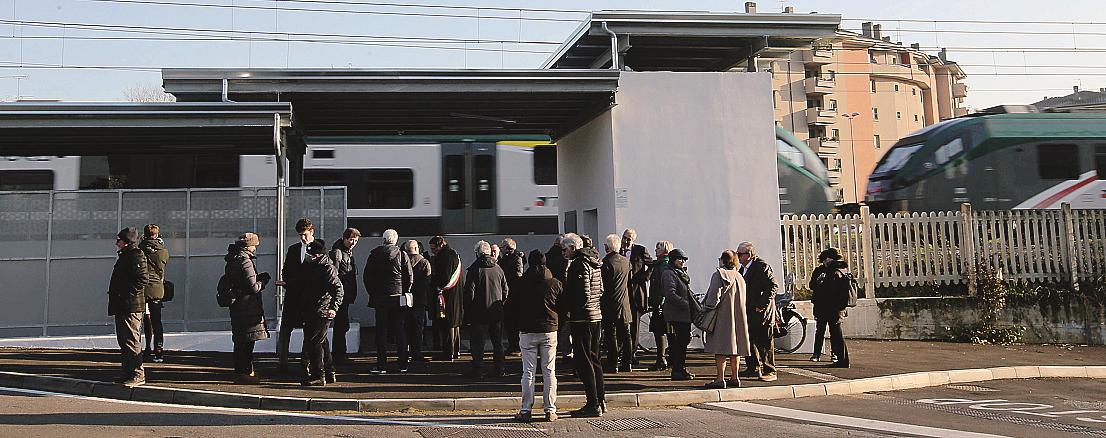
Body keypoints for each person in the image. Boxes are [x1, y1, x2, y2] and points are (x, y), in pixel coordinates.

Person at [514, 250, 563, 423]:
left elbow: (513, 306)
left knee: (528, 372)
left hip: (527, 330)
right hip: (549, 329)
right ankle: (550, 409)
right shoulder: (555, 283)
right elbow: (562, 307)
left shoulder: (521, 283)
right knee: (549, 371)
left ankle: (526, 409)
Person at [561, 233, 605, 417]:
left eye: (564, 249)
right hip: (595, 316)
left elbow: (582, 294)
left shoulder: (579, 264)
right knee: (594, 359)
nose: (563, 253)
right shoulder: (594, 261)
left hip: (583, 318)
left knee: (584, 360)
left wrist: (569, 308)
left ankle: (592, 403)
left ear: (573, 248)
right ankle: (600, 400)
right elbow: (600, 289)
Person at [276, 218, 323, 375]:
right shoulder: (293, 250)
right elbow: (286, 271)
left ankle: (305, 363)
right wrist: (293, 282)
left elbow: (320, 274)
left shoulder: (320, 247)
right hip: (294, 297)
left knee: (309, 333)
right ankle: (282, 363)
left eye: (305, 234)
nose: (302, 238)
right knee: (285, 330)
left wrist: (293, 281)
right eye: (300, 235)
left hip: (310, 299)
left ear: (312, 232)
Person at [363, 229, 413, 374]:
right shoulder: (402, 255)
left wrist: (373, 293)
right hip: (398, 298)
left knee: (381, 332)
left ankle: (382, 364)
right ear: (396, 240)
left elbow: (367, 277)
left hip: (380, 299)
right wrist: (405, 292)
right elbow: (409, 277)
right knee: (400, 330)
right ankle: (402, 364)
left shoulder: (375, 254)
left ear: (383, 240)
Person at [224, 233, 271, 384]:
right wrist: (263, 281)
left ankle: (241, 371)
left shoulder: (233, 259)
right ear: (248, 246)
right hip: (248, 306)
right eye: (254, 245)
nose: (255, 248)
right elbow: (253, 287)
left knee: (240, 341)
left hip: (237, 306)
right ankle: (245, 373)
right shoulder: (245, 261)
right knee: (247, 342)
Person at [108, 227, 149, 387]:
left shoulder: (135, 255)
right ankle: (127, 372)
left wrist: (125, 295)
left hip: (130, 305)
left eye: (119, 240)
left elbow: (141, 279)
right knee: (124, 340)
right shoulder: (126, 256)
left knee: (131, 339)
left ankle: (138, 373)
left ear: (126, 241)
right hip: (123, 304)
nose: (116, 242)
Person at [702, 250, 750, 389]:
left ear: (723, 260)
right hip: (738, 316)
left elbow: (713, 299)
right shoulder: (739, 277)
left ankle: (720, 378)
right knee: (735, 348)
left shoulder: (718, 275)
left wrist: (706, 308)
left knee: (720, 348)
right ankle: (735, 377)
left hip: (722, 316)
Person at [463, 240, 509, 378]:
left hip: (478, 312)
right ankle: (499, 368)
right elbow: (506, 290)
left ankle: (478, 369)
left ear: (477, 253)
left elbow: (469, 293)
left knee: (478, 343)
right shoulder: (498, 268)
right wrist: (500, 304)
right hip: (496, 311)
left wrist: (468, 310)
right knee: (497, 342)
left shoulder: (474, 269)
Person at [301, 241, 344, 386]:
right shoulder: (313, 266)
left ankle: (318, 374)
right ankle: (329, 371)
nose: (310, 256)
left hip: (322, 309)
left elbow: (338, 289)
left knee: (315, 342)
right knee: (322, 342)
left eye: (312, 254)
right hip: (313, 309)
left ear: (319, 255)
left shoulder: (326, 268)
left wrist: (333, 307)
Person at [738, 241, 780, 382]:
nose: (738, 257)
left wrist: (761, 304)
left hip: (761, 312)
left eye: (740, 254)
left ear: (749, 255)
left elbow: (773, 286)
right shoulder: (743, 269)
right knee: (749, 339)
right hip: (748, 310)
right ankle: (753, 367)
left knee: (764, 341)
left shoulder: (761, 267)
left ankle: (770, 370)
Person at [810, 247, 851, 368]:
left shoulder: (837, 271)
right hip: (827, 307)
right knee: (829, 332)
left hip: (834, 308)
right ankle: (831, 357)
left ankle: (839, 358)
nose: (827, 261)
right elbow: (813, 285)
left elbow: (833, 290)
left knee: (836, 334)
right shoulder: (827, 271)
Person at [620, 228, 652, 368]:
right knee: (622, 323)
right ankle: (623, 352)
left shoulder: (640, 250)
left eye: (629, 239)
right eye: (624, 238)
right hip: (622, 292)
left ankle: (632, 353)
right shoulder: (618, 251)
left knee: (634, 324)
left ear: (633, 240)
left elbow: (651, 265)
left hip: (636, 292)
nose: (626, 241)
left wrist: (643, 278)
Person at [600, 234, 633, 373]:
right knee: (626, 335)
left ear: (607, 247)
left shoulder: (606, 263)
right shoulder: (626, 262)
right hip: (624, 302)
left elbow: (604, 285)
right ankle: (627, 362)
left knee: (611, 334)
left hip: (610, 303)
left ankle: (613, 363)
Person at [662, 248, 695, 381]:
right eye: (680, 259)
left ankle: (681, 368)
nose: (683, 261)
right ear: (673, 259)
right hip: (676, 315)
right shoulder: (669, 273)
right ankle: (677, 370)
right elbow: (670, 294)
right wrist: (685, 303)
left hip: (683, 315)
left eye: (684, 259)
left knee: (683, 342)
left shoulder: (680, 273)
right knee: (678, 344)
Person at [429, 236, 463, 361]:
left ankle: (448, 352)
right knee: (455, 324)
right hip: (456, 294)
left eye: (434, 248)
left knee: (447, 323)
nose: (433, 251)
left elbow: (444, 278)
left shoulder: (444, 258)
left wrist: (433, 280)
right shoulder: (454, 254)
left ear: (440, 245)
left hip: (447, 295)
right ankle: (456, 350)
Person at [329, 228, 360, 365]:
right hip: (340, 295)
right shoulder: (338, 253)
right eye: (351, 239)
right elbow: (334, 275)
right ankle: (339, 354)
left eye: (356, 240)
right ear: (345, 238)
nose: (353, 243)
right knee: (341, 325)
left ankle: (340, 353)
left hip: (344, 294)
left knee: (342, 325)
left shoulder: (345, 252)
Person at [139, 224, 169, 364]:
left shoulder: (139, 250)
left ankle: (145, 349)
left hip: (142, 289)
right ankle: (159, 350)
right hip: (157, 289)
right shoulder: (162, 252)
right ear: (157, 235)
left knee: (144, 321)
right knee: (157, 322)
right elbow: (162, 267)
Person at [405, 239, 433, 364]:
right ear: (417, 248)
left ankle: (404, 352)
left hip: (405, 299)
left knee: (405, 327)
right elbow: (428, 282)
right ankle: (417, 353)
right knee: (418, 327)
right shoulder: (424, 262)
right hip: (419, 300)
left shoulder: (402, 261)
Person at [647, 240, 673, 371]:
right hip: (661, 301)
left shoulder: (663, 265)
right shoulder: (661, 264)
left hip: (661, 302)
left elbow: (663, 285)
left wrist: (660, 302)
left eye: (658, 248)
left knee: (660, 331)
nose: (655, 250)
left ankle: (661, 359)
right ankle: (665, 358)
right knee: (664, 331)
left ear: (665, 250)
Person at [499, 237, 525, 356]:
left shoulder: (515, 259)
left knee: (512, 322)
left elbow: (517, 277)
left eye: (502, 247)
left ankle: (515, 346)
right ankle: (513, 345)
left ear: (508, 248)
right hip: (510, 294)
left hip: (512, 295)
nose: (500, 249)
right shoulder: (510, 258)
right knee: (510, 323)